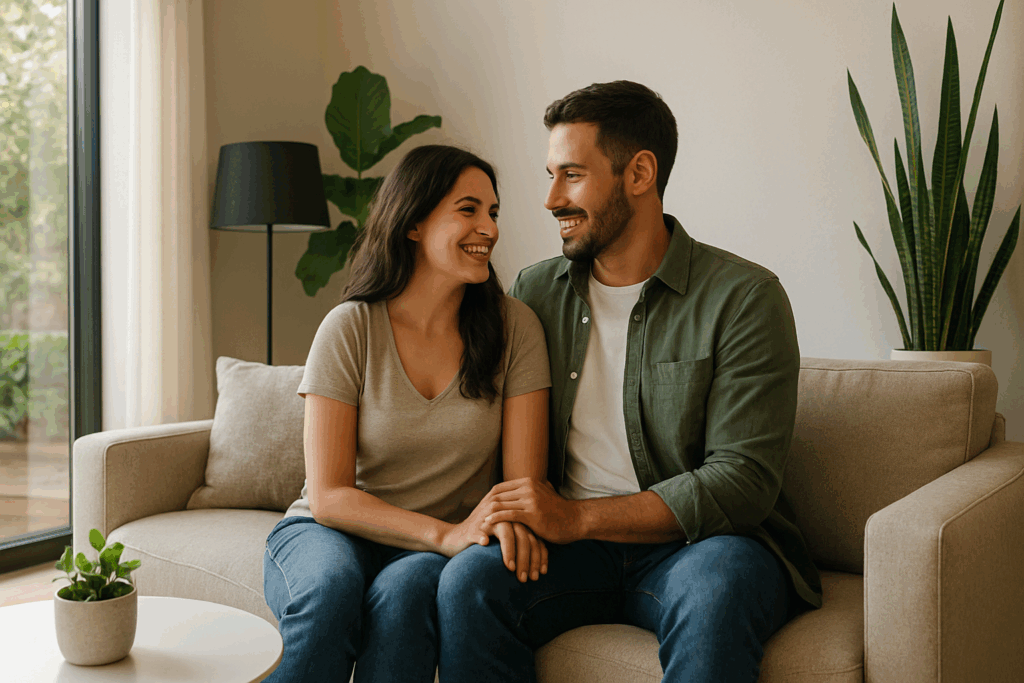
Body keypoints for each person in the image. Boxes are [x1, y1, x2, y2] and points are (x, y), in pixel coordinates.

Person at [436, 81, 823, 682]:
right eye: (550, 175)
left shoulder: (744, 298)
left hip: (701, 546)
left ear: (640, 173)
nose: (550, 199)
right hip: (571, 555)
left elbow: (743, 481)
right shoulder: (535, 292)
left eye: (572, 175)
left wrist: (577, 518)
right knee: (469, 583)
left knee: (716, 589)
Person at [262, 145, 552, 683]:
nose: (489, 228)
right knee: (330, 590)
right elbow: (328, 496)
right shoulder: (350, 327)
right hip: (329, 531)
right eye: (468, 210)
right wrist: (445, 535)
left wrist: (493, 531)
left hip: (425, 551)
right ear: (414, 222)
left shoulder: (516, 329)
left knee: (409, 592)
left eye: (493, 212)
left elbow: (520, 489)